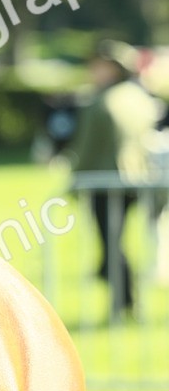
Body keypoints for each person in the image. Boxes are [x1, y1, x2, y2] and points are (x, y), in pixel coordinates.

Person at [69, 39, 162, 315]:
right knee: (116, 242)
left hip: (104, 181)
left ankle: (123, 301)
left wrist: (75, 181)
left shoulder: (101, 101)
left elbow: (86, 147)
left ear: (111, 68)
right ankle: (124, 298)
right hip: (137, 180)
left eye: (97, 66)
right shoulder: (139, 98)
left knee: (111, 244)